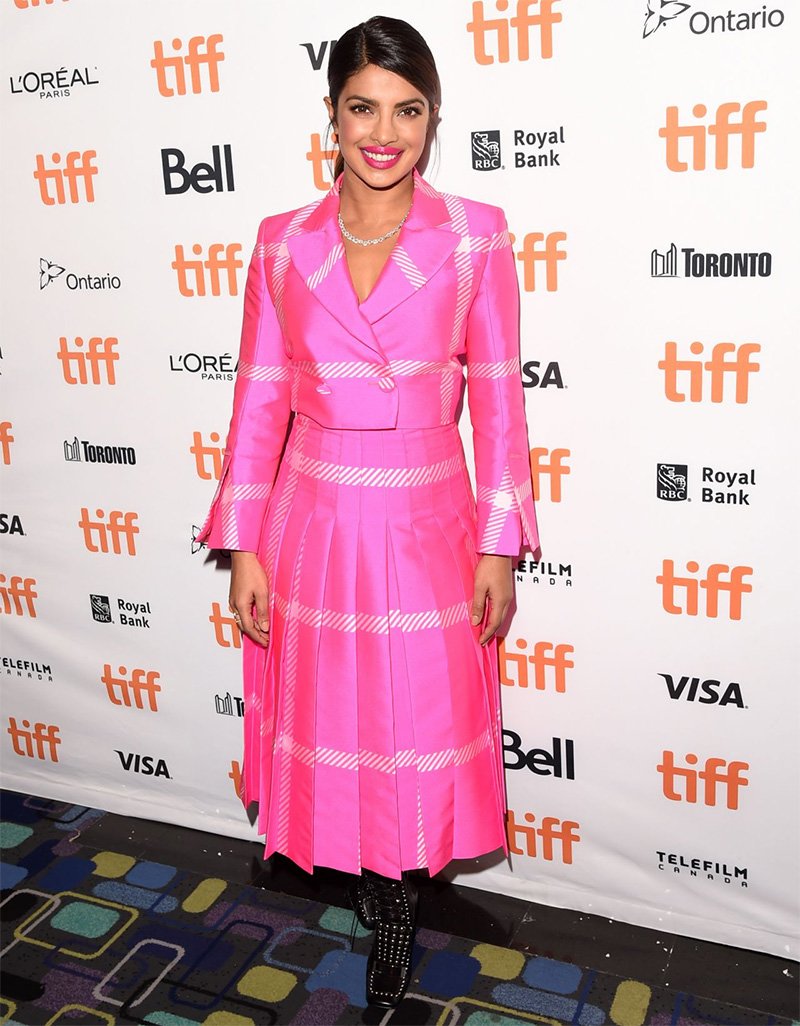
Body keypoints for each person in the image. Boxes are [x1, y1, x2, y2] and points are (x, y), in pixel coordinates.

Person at [197, 15, 539, 1008]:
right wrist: (244, 546)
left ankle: (400, 910)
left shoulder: (475, 235)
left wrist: (496, 544)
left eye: (407, 110)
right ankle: (370, 891)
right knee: (334, 719)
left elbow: (500, 402)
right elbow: (259, 398)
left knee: (412, 726)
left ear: (431, 121)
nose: (383, 132)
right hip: (312, 524)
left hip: (427, 519)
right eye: (362, 107)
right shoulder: (279, 244)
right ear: (331, 115)